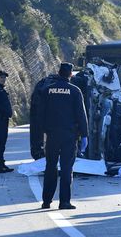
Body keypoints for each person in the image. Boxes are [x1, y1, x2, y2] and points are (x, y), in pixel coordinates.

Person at [36, 62, 88, 210]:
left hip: (52, 136)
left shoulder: (47, 90)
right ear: (71, 74)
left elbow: (40, 114)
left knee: (50, 166)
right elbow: (81, 115)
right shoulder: (75, 91)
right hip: (69, 136)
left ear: (58, 73)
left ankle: (46, 201)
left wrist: (43, 133)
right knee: (66, 168)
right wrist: (84, 135)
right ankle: (64, 202)